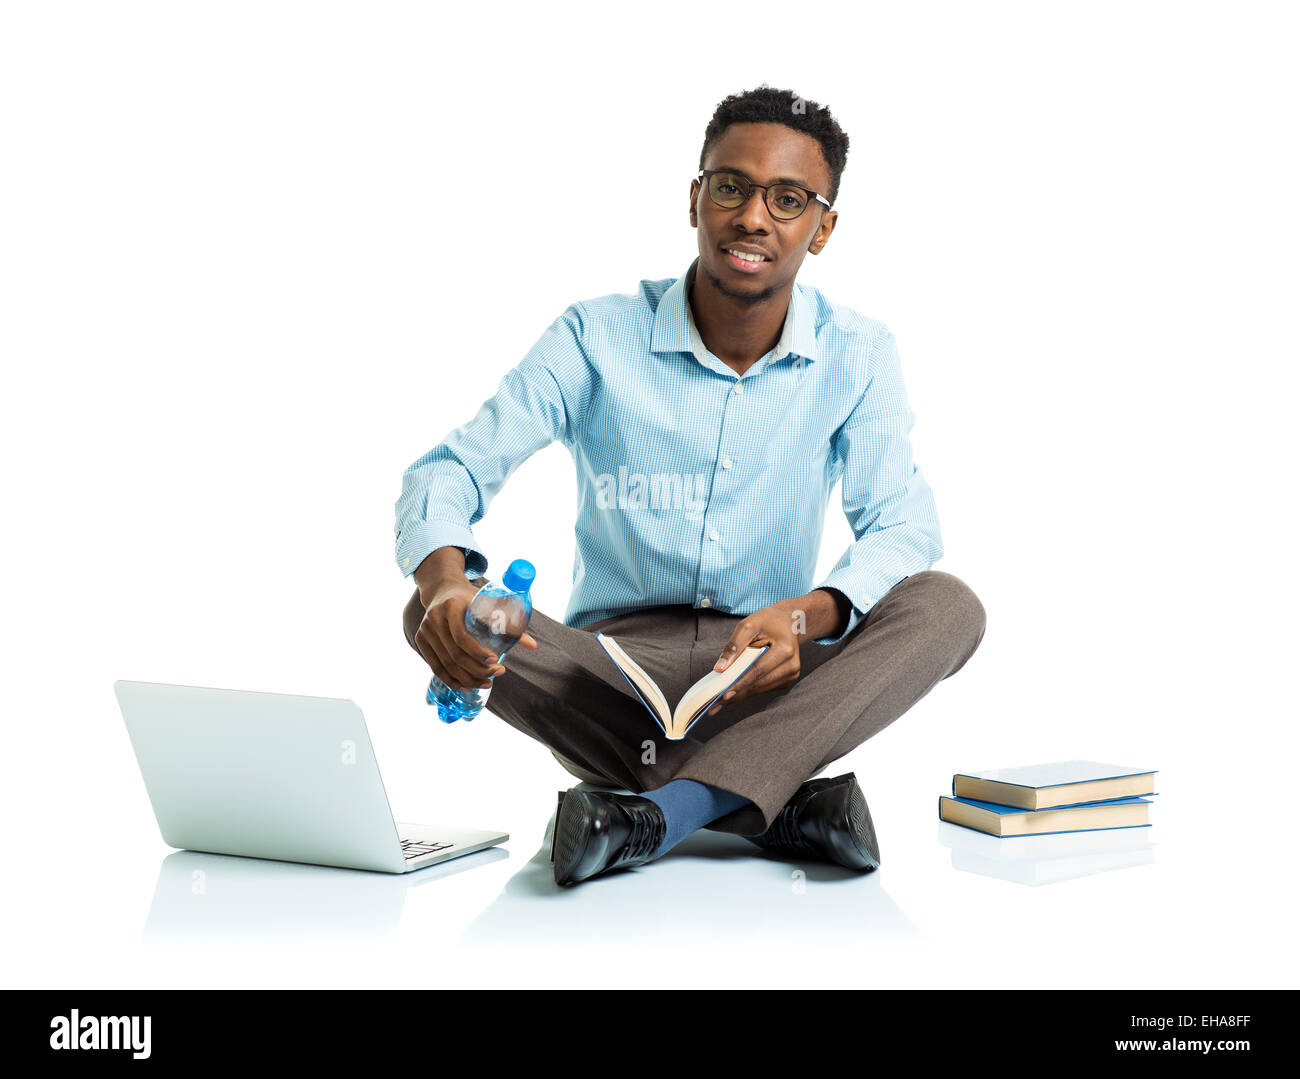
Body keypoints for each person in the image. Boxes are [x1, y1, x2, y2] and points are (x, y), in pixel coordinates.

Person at [396, 86, 986, 887]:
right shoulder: (594, 334)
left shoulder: (860, 353)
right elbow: (452, 469)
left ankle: (656, 814)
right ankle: (781, 803)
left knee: (947, 605)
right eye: (731, 187)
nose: (754, 218)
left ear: (824, 228)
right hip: (606, 677)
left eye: (789, 200)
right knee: (441, 604)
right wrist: (441, 590)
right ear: (695, 198)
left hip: (770, 674)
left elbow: (903, 527)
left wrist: (806, 614)